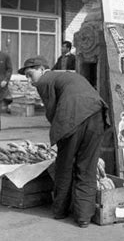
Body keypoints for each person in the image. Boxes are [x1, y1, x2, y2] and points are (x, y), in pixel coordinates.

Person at [19, 56, 110, 228]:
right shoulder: (65, 76)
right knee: (87, 168)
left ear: (41, 69)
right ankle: (84, 217)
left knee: (64, 166)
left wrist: (60, 137)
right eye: (27, 77)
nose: (30, 81)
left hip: (72, 118)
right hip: (97, 116)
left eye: (30, 75)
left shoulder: (44, 80)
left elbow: (52, 112)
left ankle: (60, 210)